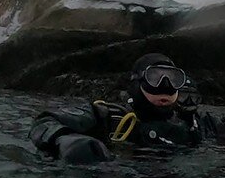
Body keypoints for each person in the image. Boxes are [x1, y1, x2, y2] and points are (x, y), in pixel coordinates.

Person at [29, 53, 203, 163]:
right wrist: (65, 140)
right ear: (137, 83)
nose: (164, 86)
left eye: (173, 78)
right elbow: (45, 121)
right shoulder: (108, 117)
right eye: (154, 76)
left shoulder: (192, 123)